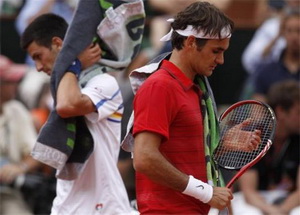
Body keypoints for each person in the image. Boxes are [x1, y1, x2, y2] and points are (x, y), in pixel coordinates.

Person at [121, 2, 261, 214]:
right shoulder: (160, 86)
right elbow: (144, 158)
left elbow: (180, 156)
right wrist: (205, 192)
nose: (221, 60)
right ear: (191, 42)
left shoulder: (197, 89)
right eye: (216, 51)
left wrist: (220, 144)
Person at [20, 12, 139, 214]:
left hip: (104, 207)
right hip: (65, 206)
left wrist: (73, 63)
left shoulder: (104, 83)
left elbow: (67, 105)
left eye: (38, 56)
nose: (38, 67)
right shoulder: (58, 90)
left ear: (58, 44)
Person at [232, 80, 300, 215]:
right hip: (254, 199)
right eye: (299, 112)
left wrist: (282, 211)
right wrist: (272, 211)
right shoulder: (253, 135)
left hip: (287, 200)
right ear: (281, 111)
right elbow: (249, 192)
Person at [0, 55, 40, 215]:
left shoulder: (16, 109)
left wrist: (19, 167)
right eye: (9, 81)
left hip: (8, 191)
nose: (15, 85)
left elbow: (37, 153)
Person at [251, 8, 300, 103]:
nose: (294, 36)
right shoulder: (265, 72)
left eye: (299, 31)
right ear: (282, 33)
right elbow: (259, 111)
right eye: (289, 31)